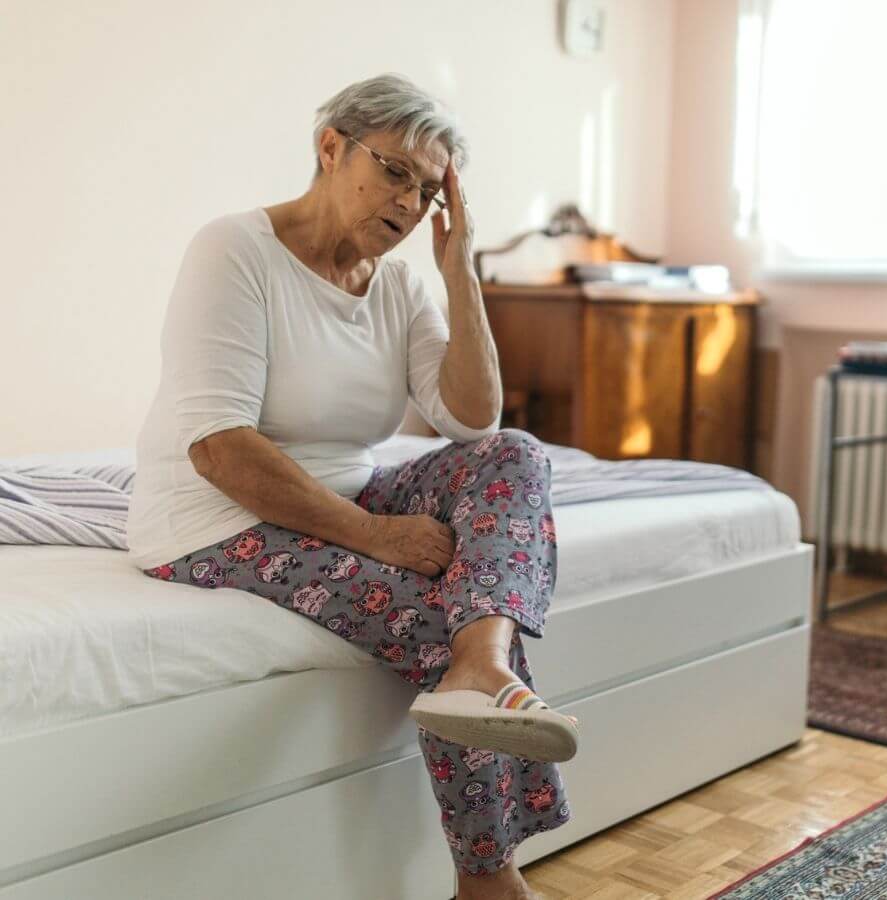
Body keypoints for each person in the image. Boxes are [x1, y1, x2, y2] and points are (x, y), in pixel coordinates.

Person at [126, 73, 577, 898]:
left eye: (429, 189)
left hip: (346, 492)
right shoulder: (234, 250)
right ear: (330, 147)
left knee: (515, 455)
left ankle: (484, 659)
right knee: (433, 614)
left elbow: (472, 421)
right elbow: (218, 449)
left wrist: (459, 270)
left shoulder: (400, 282)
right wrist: (376, 536)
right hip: (213, 517)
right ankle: (490, 878)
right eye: (396, 172)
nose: (410, 204)